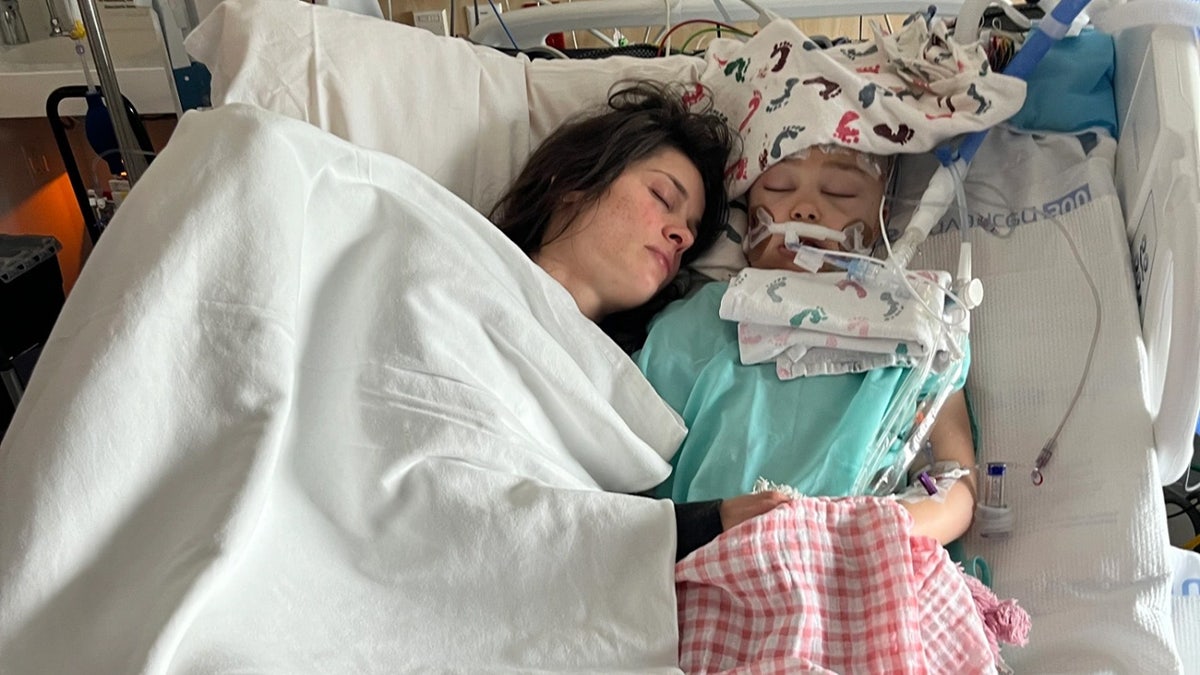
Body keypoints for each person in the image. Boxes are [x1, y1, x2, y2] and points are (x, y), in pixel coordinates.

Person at [490, 80, 792, 557]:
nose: (682, 237)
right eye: (662, 196)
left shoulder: (630, 391)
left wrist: (702, 525)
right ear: (574, 181)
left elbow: (564, 531)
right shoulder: (457, 252)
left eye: (692, 231)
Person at [637, 143, 977, 546]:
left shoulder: (918, 323)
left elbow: (957, 485)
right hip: (712, 563)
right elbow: (625, 495)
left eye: (839, 193)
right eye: (779, 188)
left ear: (880, 219)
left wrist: (880, 534)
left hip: (862, 564)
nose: (804, 210)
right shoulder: (688, 329)